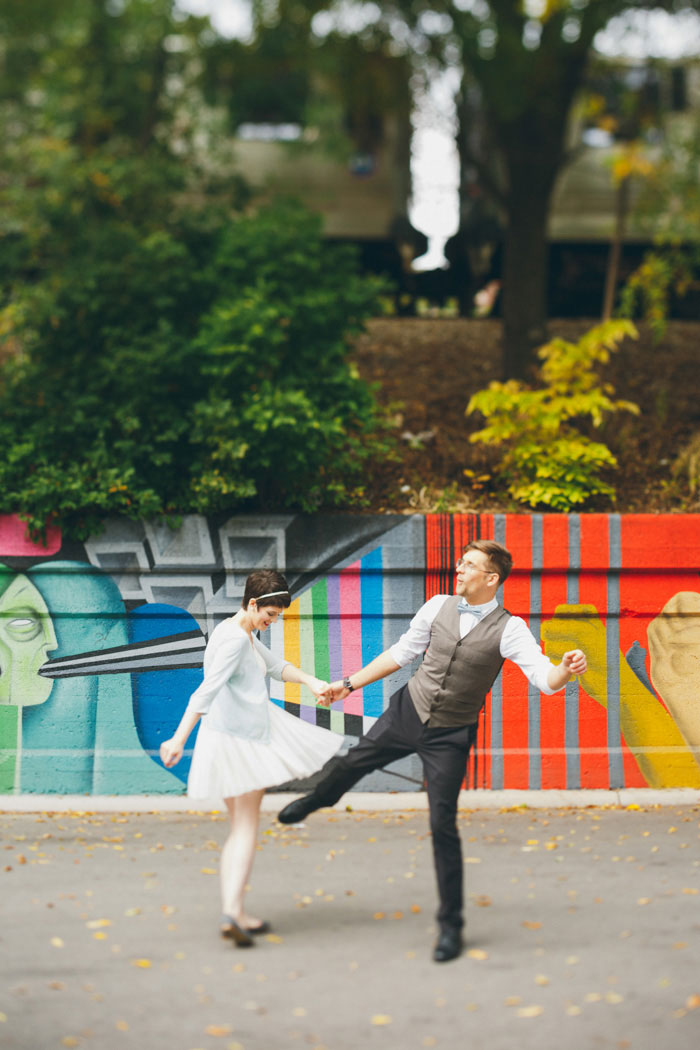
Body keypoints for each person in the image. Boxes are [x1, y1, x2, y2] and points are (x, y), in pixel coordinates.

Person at [278, 540, 587, 963]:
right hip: (408, 711)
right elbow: (401, 654)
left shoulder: (509, 628)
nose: (459, 570)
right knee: (352, 763)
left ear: (491, 578)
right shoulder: (437, 605)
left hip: (450, 735)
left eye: (469, 565)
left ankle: (451, 928)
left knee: (443, 825)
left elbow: (543, 679)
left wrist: (565, 671)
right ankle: (317, 798)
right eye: (461, 562)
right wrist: (347, 685)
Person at [160, 569, 342, 947]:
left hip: (235, 737)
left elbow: (275, 667)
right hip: (243, 741)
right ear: (253, 602)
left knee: (238, 827)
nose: (271, 622)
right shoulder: (235, 642)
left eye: (276, 617)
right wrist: (178, 739)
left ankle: (234, 910)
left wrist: (311, 682)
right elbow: (205, 693)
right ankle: (232, 911)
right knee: (245, 827)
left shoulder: (238, 632)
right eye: (269, 614)